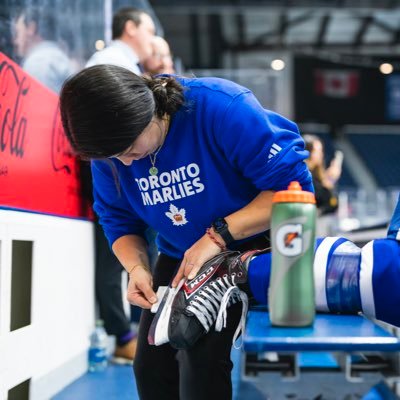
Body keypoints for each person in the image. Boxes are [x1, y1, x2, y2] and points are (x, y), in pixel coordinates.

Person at [59, 64, 313, 400]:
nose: (123, 163)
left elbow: (294, 192)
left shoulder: (221, 107)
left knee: (199, 358)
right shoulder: (112, 151)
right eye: (113, 156)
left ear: (148, 113)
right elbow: (119, 221)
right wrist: (137, 268)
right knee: (150, 366)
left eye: (129, 148)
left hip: (254, 244)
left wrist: (217, 236)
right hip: (182, 252)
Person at [84, 7, 157, 364]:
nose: (151, 38)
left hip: (123, 167)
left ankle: (132, 331)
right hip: (111, 171)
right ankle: (123, 334)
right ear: (129, 27)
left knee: (138, 252)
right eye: (148, 29)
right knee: (116, 252)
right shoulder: (111, 62)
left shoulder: (128, 66)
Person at [12, 7, 74, 93]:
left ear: (31, 28)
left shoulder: (39, 62)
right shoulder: (54, 57)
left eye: (18, 32)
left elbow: (41, 105)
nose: (15, 41)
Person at [86, 7, 155, 74]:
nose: (154, 40)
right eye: (150, 32)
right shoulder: (114, 61)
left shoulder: (118, 60)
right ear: (131, 28)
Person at [304, 134, 342, 235]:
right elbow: (324, 201)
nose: (321, 154)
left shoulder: (316, 176)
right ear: (309, 152)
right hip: (312, 226)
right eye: (319, 151)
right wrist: (331, 180)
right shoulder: (304, 176)